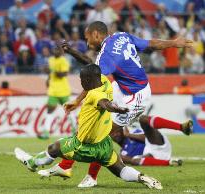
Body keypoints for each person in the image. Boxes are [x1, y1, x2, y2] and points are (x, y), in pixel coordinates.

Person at [40, 21, 193, 187]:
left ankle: (88, 175)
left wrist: (77, 101)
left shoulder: (106, 56)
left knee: (103, 133)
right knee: (93, 123)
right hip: (121, 87)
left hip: (136, 96)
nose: (87, 43)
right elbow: (150, 44)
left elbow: (93, 79)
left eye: (88, 38)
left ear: (96, 34)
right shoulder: (122, 36)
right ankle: (67, 167)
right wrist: (174, 42)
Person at [15, 64, 162, 190]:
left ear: (87, 80)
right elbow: (103, 97)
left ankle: (32, 163)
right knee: (120, 169)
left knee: (54, 147)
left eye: (81, 80)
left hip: (84, 146)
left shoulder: (94, 95)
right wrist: (78, 101)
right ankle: (142, 178)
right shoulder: (105, 83)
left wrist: (115, 109)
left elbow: (104, 103)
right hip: (104, 144)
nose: (80, 83)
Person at [38, 47, 75, 139]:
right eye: (55, 49)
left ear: (61, 52)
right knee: (50, 110)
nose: (56, 51)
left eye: (58, 50)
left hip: (63, 90)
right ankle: (46, 132)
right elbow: (50, 74)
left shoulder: (63, 61)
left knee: (68, 110)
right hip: (53, 90)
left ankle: (75, 131)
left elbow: (64, 74)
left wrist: (53, 70)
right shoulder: (51, 60)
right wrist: (48, 78)